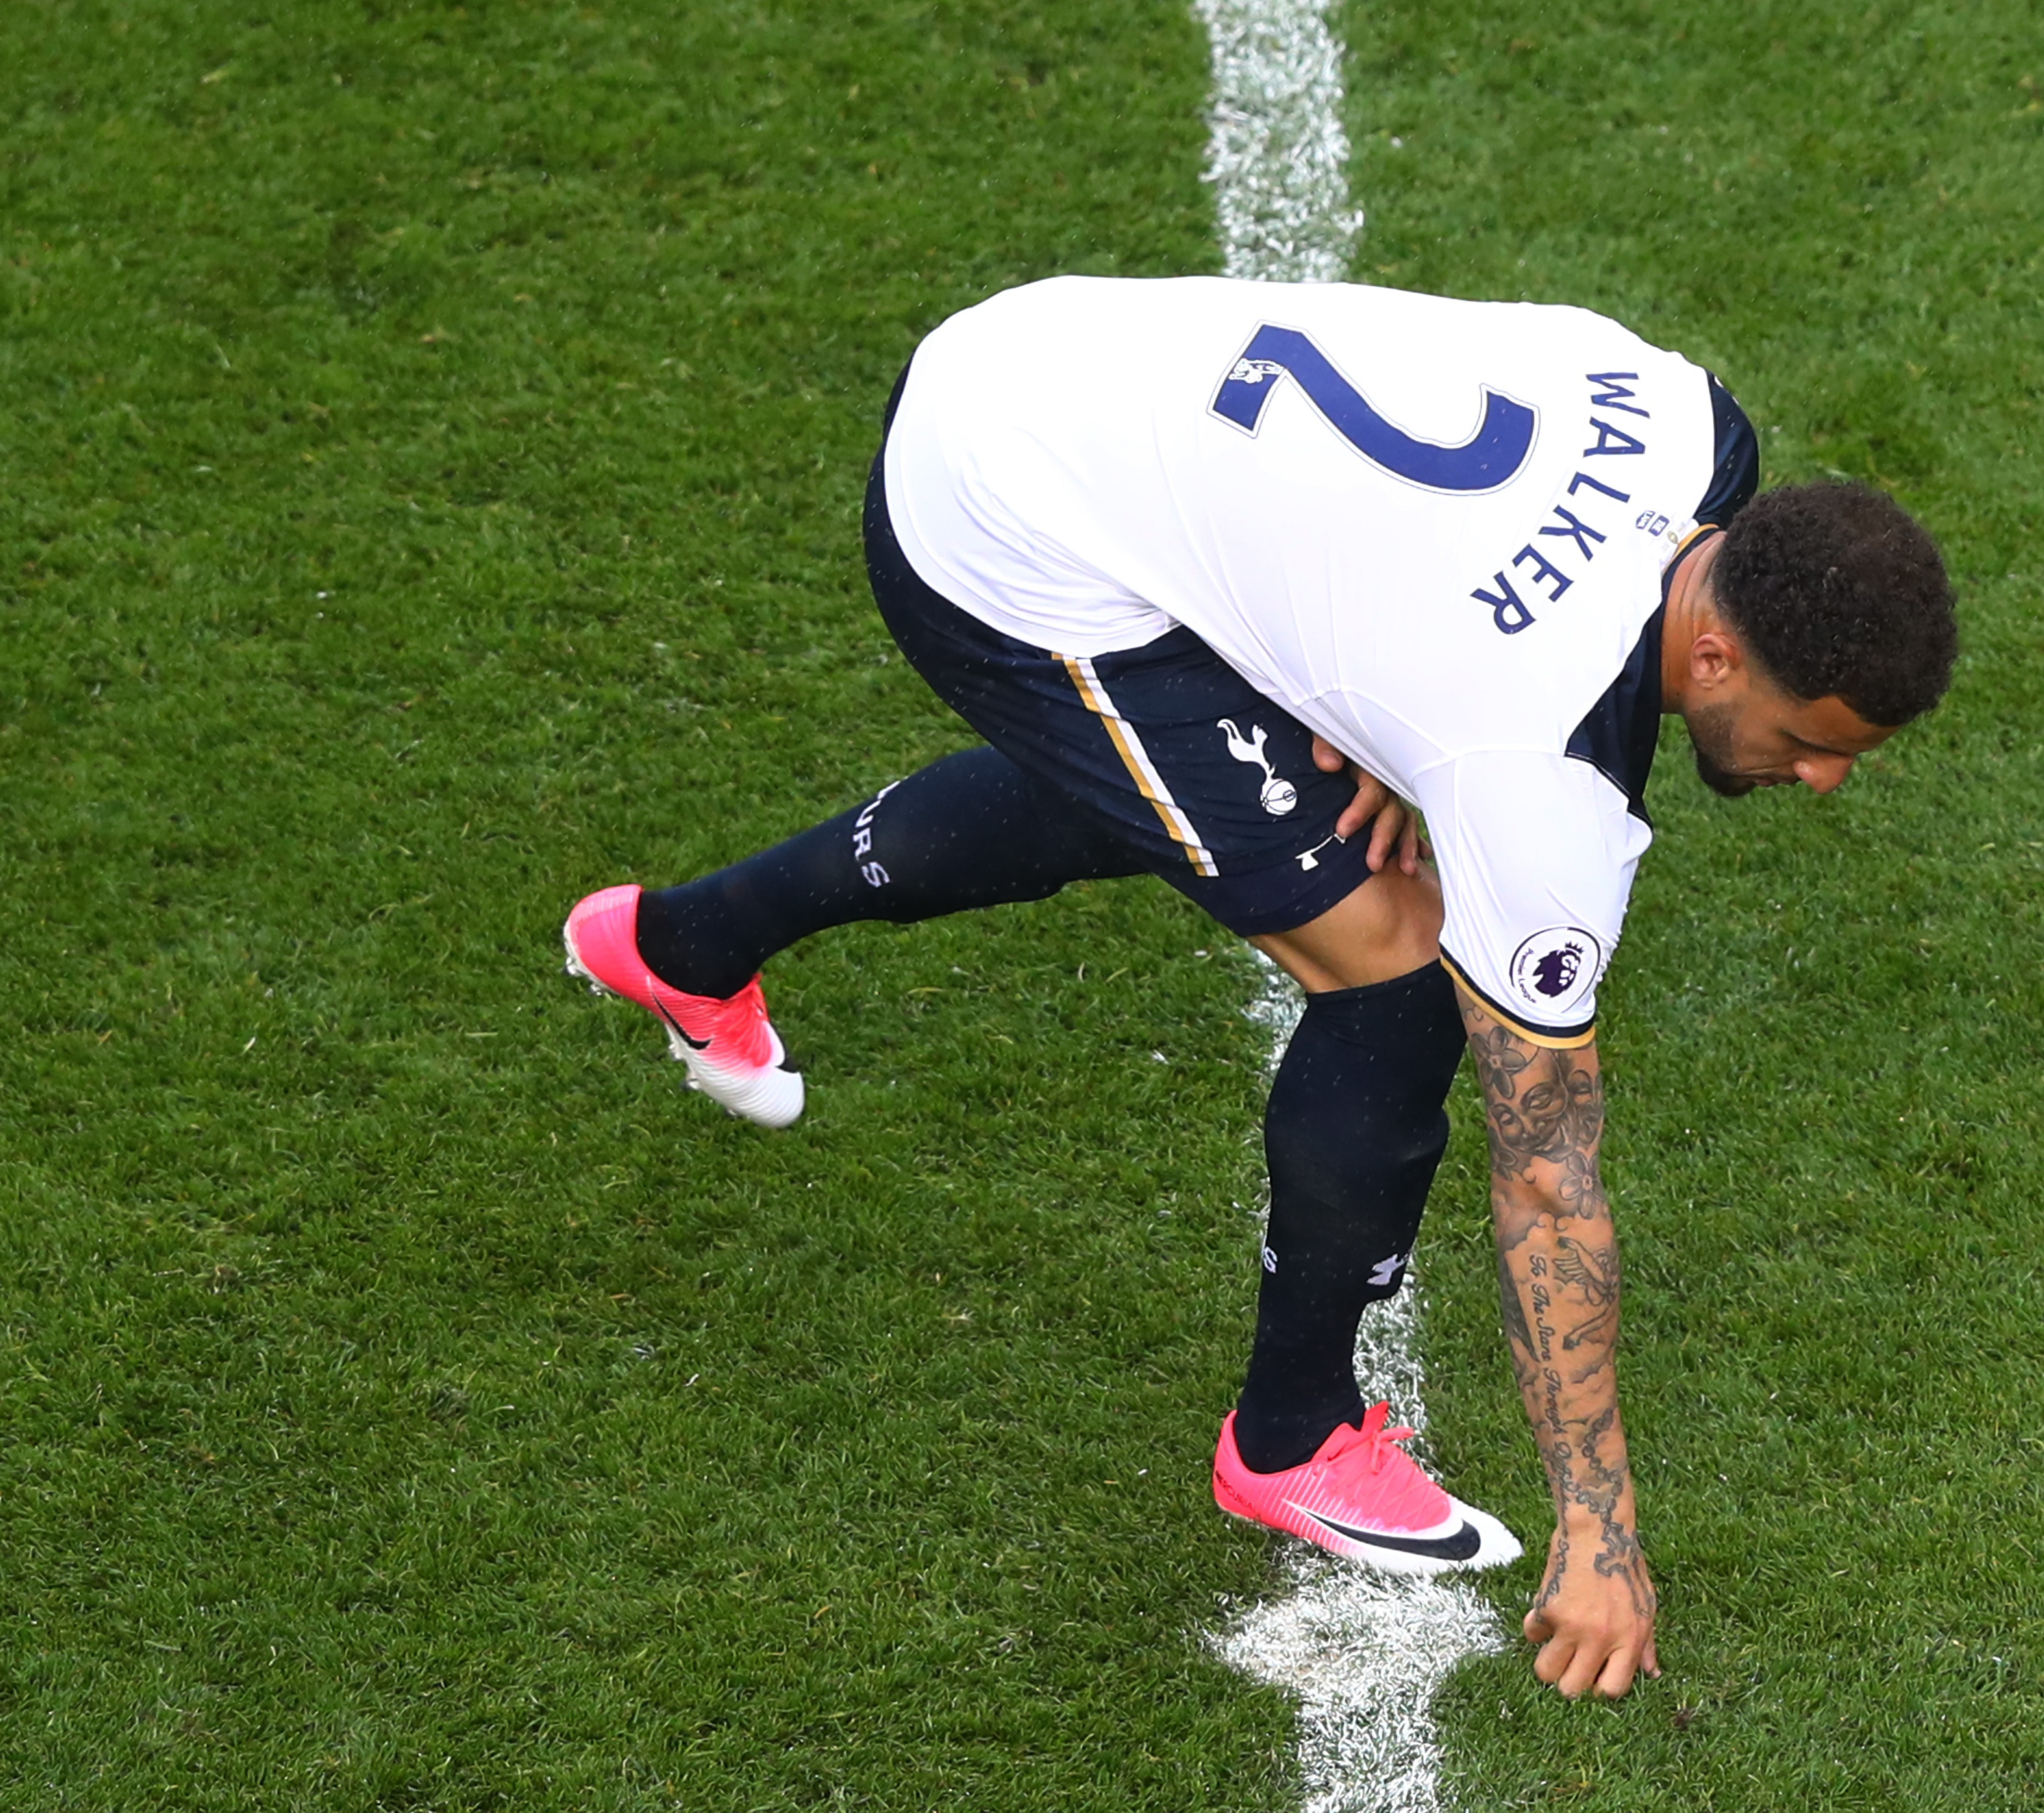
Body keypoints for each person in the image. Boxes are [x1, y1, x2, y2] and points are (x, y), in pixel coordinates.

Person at [562, 276, 1957, 1700]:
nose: (1829, 781)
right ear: (1718, 652)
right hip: (1009, 529)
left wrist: (1380, 721)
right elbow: (1548, 1175)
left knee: (1178, 794)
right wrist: (1600, 1526)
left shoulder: (1688, 420)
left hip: (1050, 358)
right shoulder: (1530, 791)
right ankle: (1291, 1440)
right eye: (1810, 737)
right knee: (1402, 959)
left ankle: (682, 945)